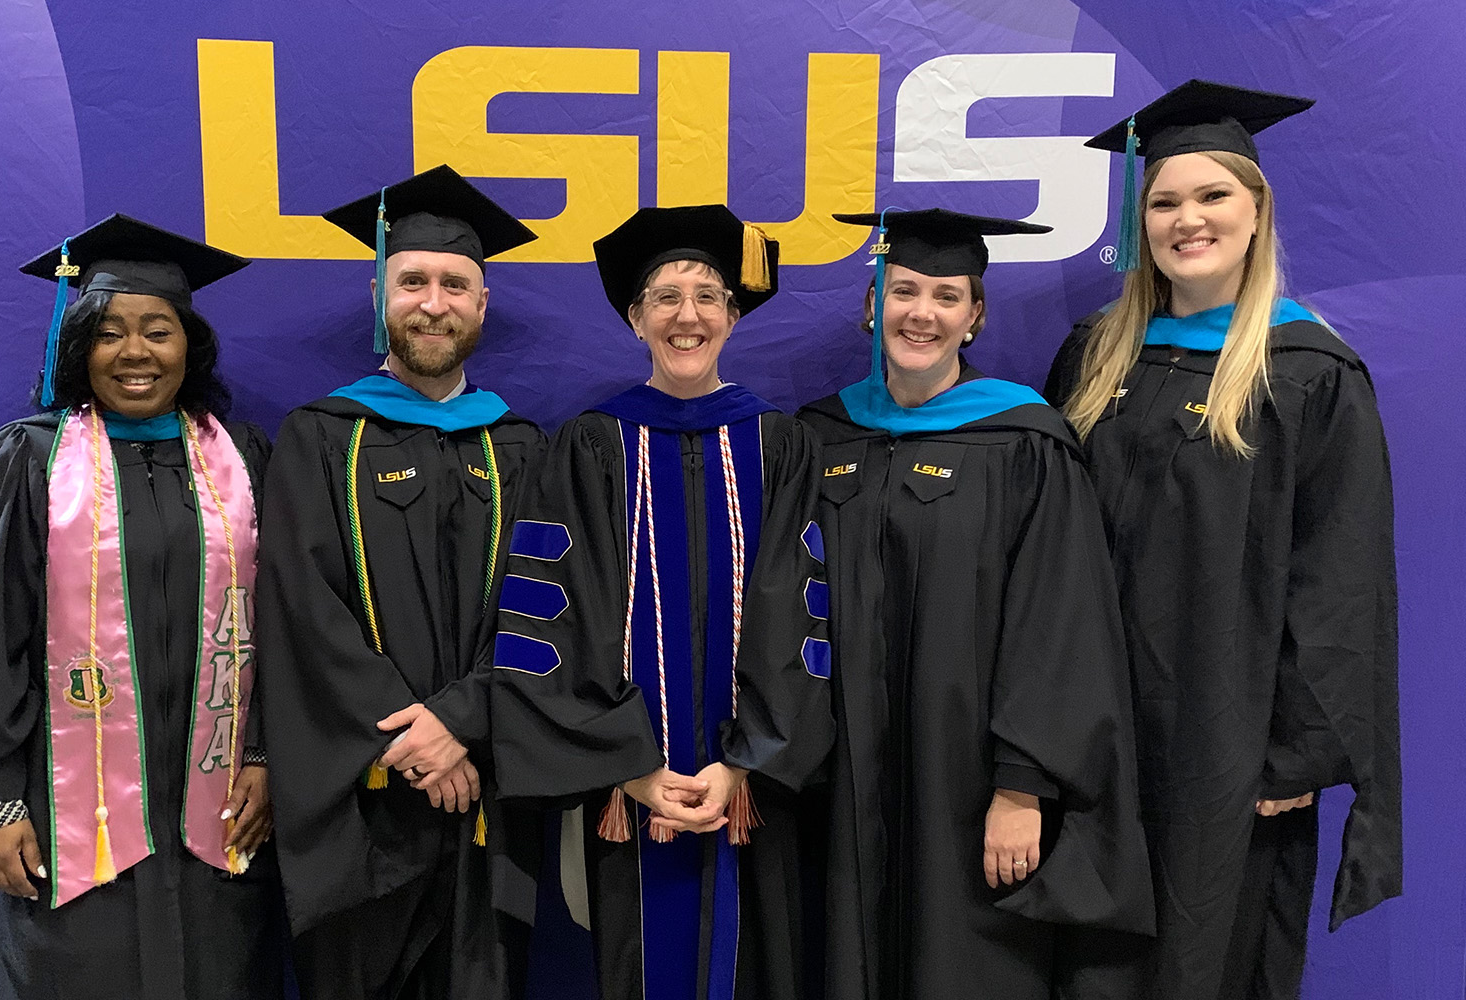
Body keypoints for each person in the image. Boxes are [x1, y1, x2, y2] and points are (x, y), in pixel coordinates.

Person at [1045, 80, 1402, 1000]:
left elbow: (1340, 573)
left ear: (1256, 210)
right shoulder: (1096, 355)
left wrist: (1296, 752)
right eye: (1164, 201)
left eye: (1212, 197)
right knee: (1086, 958)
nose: (1186, 219)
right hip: (1095, 722)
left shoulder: (1308, 372)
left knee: (1203, 960)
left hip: (1227, 740)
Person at [0, 215, 281, 999]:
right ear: (78, 346)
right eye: (109, 332)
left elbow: (276, 625)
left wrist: (259, 753)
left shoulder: (242, 461)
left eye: (158, 331)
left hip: (213, 820)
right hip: (66, 826)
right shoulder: (28, 462)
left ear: (189, 345)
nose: (135, 353)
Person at [797, 208, 1155, 1000]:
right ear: (871, 303)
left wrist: (1023, 786)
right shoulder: (821, 437)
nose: (921, 313)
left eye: (947, 296)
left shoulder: (1025, 441)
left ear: (975, 316)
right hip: (842, 781)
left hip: (969, 785)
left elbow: (1060, 622)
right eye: (904, 291)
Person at [490, 205, 833, 1000]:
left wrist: (748, 760)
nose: (689, 314)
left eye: (709, 295)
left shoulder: (779, 446)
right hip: (627, 792)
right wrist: (631, 764)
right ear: (635, 318)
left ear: (734, 316)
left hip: (748, 794)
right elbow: (550, 620)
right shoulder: (590, 445)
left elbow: (807, 617)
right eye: (666, 296)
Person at [254, 164, 545, 1000]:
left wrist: (463, 719)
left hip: (487, 790)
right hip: (365, 801)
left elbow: (550, 609)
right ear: (379, 295)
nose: (433, 301)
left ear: (482, 305)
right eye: (412, 280)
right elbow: (300, 607)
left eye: (456, 284)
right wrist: (411, 740)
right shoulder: (319, 436)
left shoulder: (520, 445)